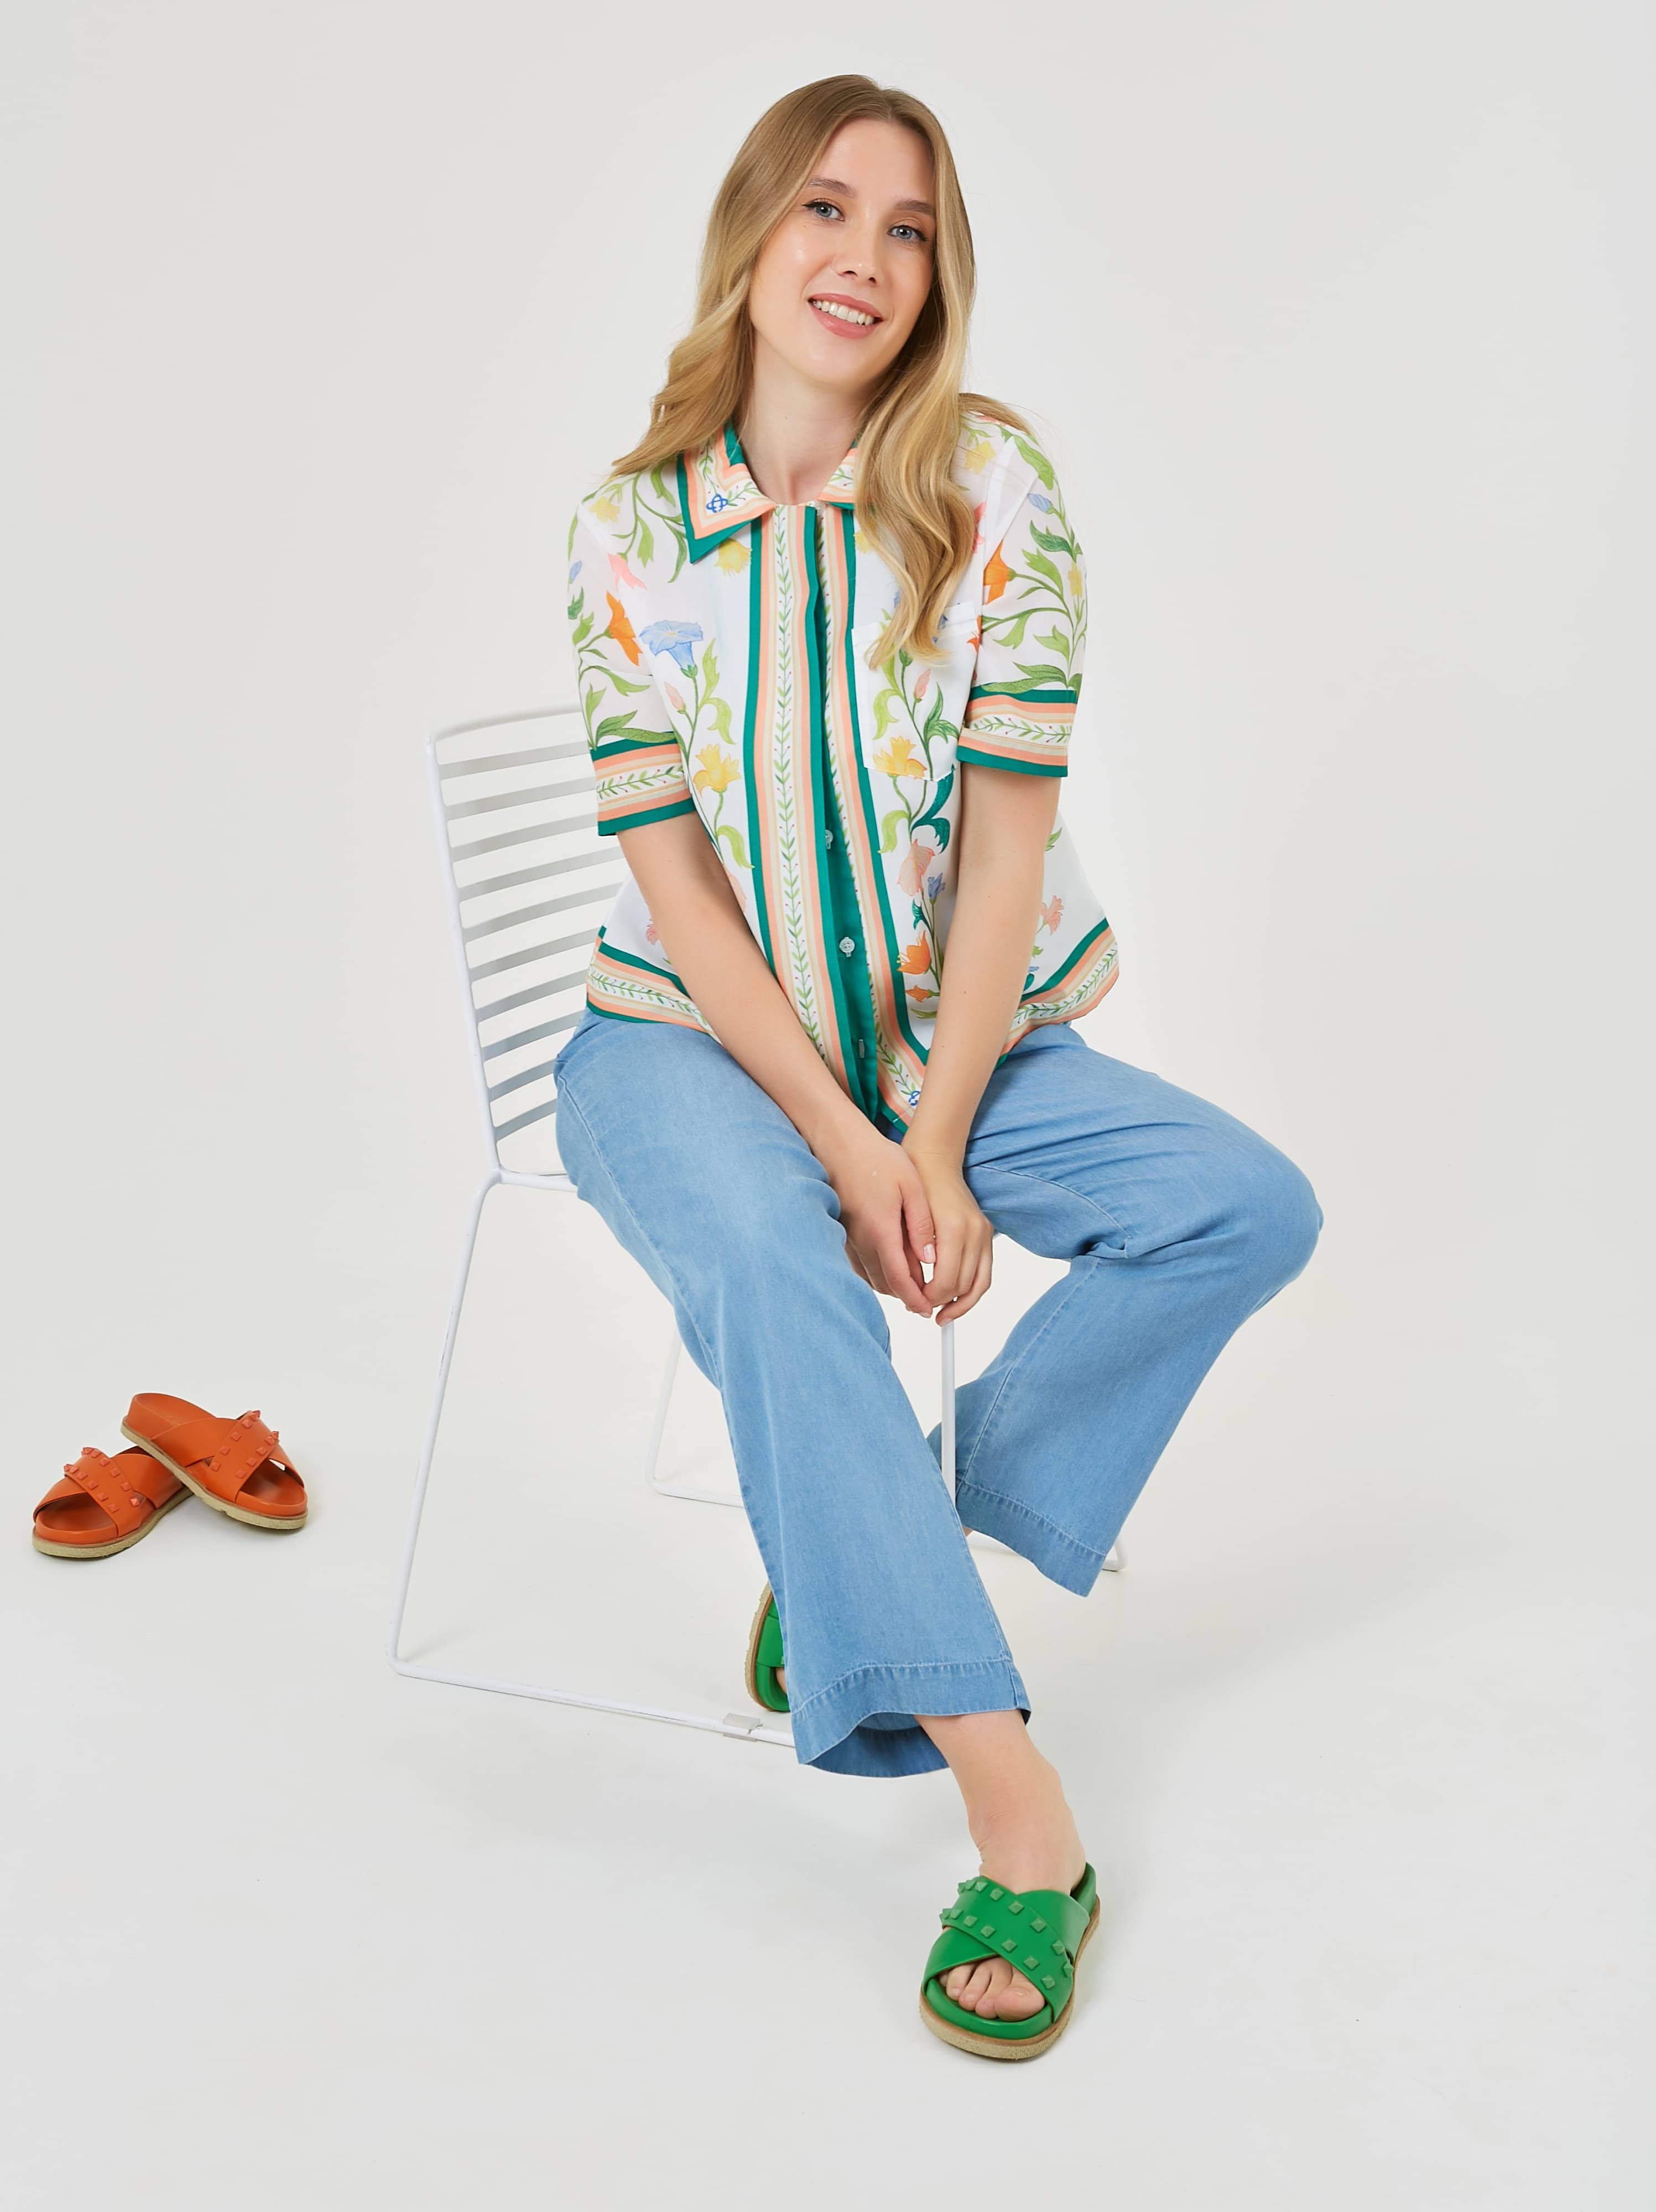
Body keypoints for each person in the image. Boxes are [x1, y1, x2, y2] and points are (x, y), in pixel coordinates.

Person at [552, 74, 1320, 2060]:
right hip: (682, 1044)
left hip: (947, 1039)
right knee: (774, 1252)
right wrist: (845, 1141)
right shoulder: (627, 532)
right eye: (827, 208)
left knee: (1242, 1207)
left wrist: (940, 1139)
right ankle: (1021, 1816)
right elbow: (682, 895)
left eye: (910, 229)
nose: (864, 258)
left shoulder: (995, 488)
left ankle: (860, 1546)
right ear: (752, 236)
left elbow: (1000, 855)